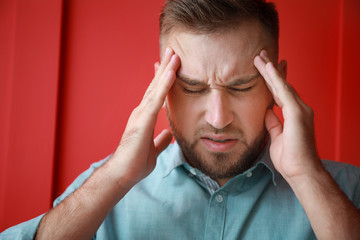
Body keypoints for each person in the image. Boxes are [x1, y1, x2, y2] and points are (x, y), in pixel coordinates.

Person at [1, 0, 360, 239]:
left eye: (241, 86)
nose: (218, 119)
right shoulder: (100, 194)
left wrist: (308, 178)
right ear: (162, 85)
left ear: (276, 84)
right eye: (191, 88)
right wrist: (114, 177)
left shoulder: (348, 191)